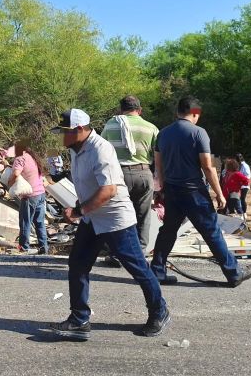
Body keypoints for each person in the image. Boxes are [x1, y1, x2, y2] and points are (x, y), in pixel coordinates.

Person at [48, 108, 170, 340]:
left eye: (65, 132)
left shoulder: (101, 149)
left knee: (137, 268)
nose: (62, 138)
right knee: (78, 264)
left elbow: (109, 189)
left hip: (115, 219)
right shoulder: (76, 149)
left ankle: (159, 311)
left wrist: (77, 211)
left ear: (80, 129)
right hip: (93, 217)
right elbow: (88, 184)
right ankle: (79, 318)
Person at [150, 97, 251, 287]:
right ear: (195, 113)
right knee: (211, 231)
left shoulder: (163, 133)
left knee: (167, 231)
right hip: (194, 192)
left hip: (172, 190)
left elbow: (159, 165)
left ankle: (157, 271)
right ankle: (234, 273)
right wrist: (219, 193)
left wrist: (162, 189)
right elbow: (207, 166)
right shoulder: (199, 133)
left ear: (177, 112)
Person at [101, 94, 160, 255]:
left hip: (118, 175)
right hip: (143, 173)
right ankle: (139, 252)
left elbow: (102, 151)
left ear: (121, 110)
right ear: (139, 110)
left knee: (117, 214)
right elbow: (158, 155)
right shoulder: (151, 127)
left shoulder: (111, 125)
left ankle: (115, 253)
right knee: (142, 215)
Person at [9, 139, 48, 255]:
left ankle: (24, 248)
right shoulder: (31, 157)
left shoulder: (20, 158)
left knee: (25, 222)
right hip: (41, 193)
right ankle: (44, 247)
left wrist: (9, 183)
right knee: (39, 222)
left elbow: (16, 174)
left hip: (30, 196)